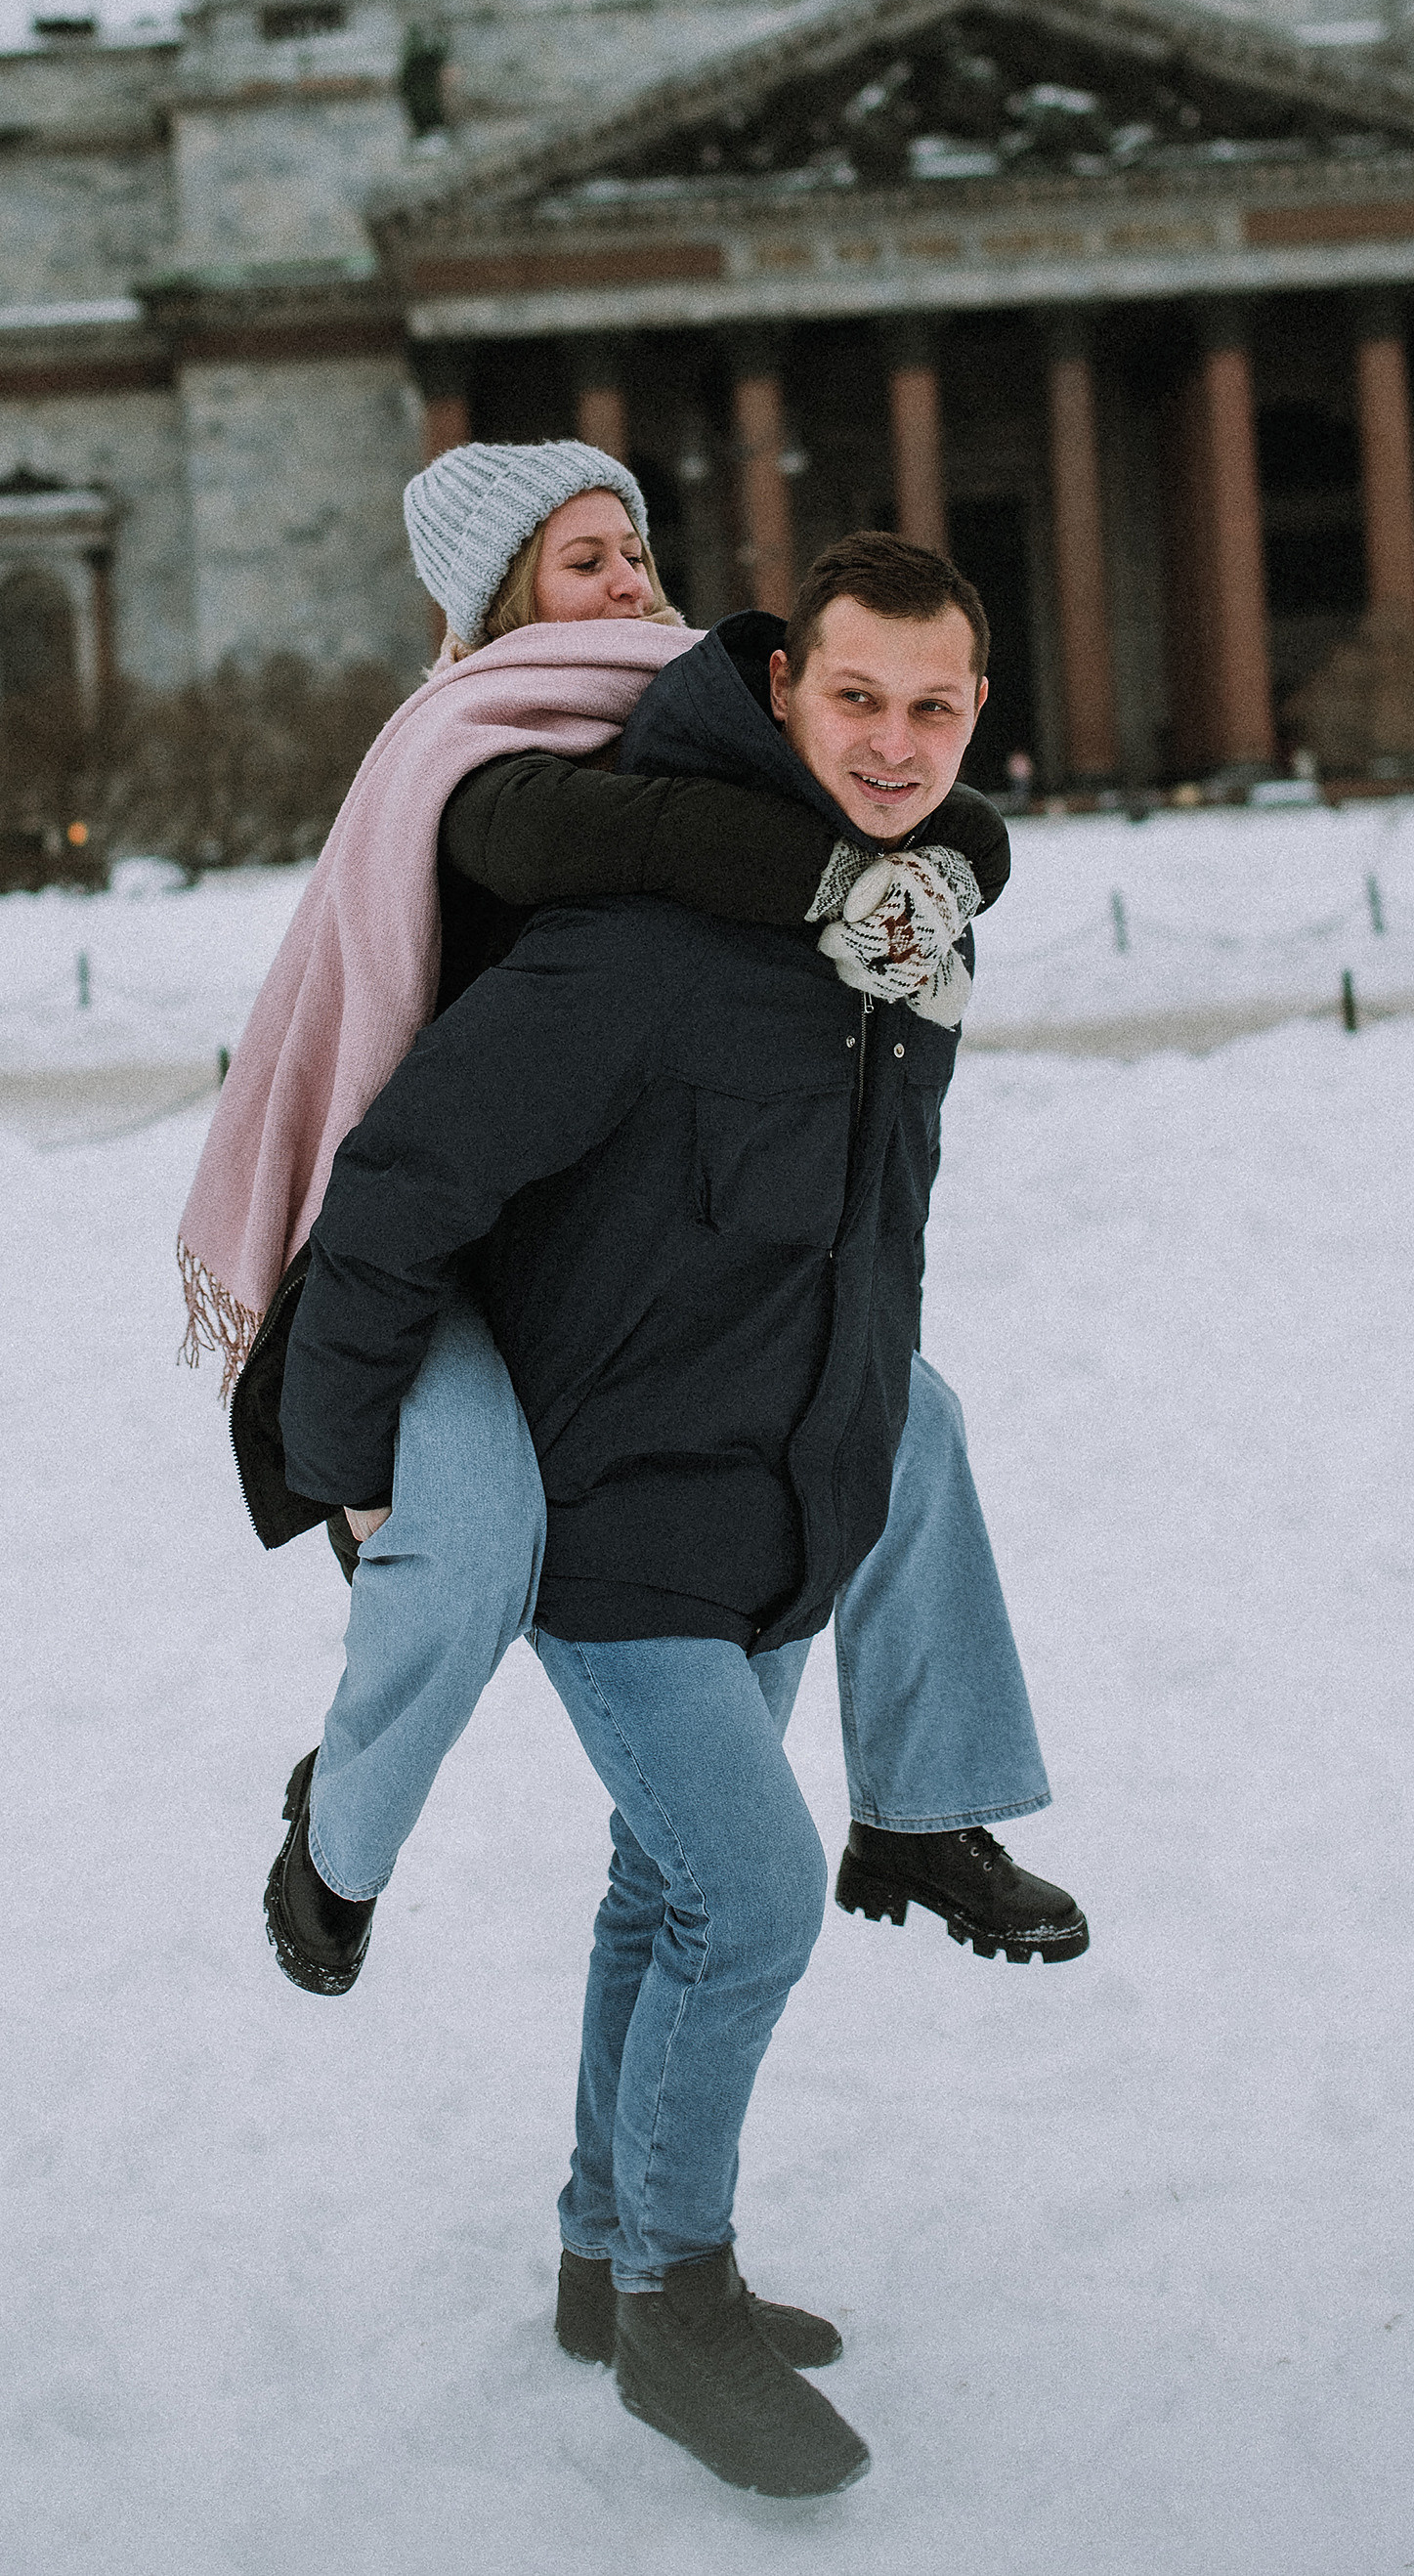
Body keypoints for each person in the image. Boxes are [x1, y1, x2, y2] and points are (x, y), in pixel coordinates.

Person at [277, 534, 1017, 2496]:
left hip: (779, 1500)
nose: (893, 740)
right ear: (780, 685)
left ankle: (606, 2256)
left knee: (664, 1889)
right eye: (856, 695)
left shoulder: (911, 939)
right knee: (754, 1899)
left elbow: (869, 1240)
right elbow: (397, 1192)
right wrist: (350, 1460)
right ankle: (683, 2299)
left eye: (935, 706)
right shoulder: (640, 941)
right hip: (614, 1520)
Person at [178, 451, 1077, 2048]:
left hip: (581, 1233)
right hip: (420, 1246)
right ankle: (339, 1841)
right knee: (462, 1533)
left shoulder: (681, 711)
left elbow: (941, 801)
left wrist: (940, 848)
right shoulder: (480, 760)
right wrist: (869, 874)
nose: (631, 582)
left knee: (905, 1418)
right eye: (585, 559)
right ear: (499, 598)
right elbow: (654, 852)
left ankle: (923, 1806)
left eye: (636, 547)